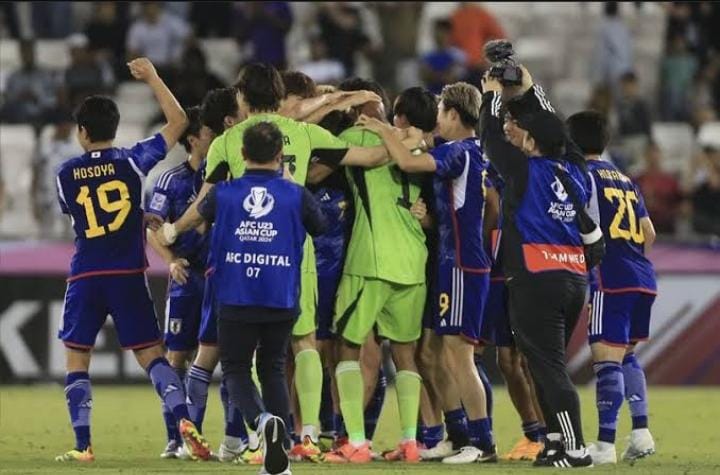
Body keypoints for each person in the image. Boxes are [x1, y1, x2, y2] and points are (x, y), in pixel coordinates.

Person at [156, 63, 394, 462]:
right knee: (303, 345)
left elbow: (203, 206)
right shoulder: (304, 134)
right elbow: (369, 158)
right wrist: (403, 140)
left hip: (239, 261)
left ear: (243, 99)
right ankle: (308, 435)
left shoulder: (228, 142)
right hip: (294, 257)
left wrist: (172, 231)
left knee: (243, 358)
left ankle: (255, 436)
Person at [53, 58, 211, 462]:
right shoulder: (131, 161)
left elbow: (78, 216)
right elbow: (177, 122)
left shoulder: (66, 173)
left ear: (82, 132)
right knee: (153, 357)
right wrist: (155, 77)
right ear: (114, 128)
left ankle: (83, 444)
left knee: (77, 358)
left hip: (86, 275)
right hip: (129, 274)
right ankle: (183, 420)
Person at [359, 81, 497, 464]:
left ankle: (482, 442)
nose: (436, 121)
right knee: (433, 353)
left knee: (459, 355)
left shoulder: (459, 152)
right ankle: (455, 435)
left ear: (454, 114)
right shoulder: (469, 152)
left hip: (463, 265)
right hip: (452, 262)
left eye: (440, 114)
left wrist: (382, 129)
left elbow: (407, 162)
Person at [480, 67, 599, 468]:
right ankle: (553, 442)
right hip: (572, 278)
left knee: (548, 368)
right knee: (541, 363)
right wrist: (530, 88)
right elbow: (560, 134)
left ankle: (576, 448)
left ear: (530, 141)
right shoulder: (576, 170)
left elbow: (490, 136)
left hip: (534, 277)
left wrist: (493, 95)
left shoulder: (522, 170)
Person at [194, 121, 328, 475]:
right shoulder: (296, 194)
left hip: (236, 295)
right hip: (281, 296)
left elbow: (201, 217)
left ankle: (262, 421)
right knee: (272, 368)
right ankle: (279, 457)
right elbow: (322, 227)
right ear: (280, 155)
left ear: (241, 154)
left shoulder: (223, 193)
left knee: (236, 369)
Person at [318, 78, 427, 464]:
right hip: (414, 261)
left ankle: (356, 442)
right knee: (405, 354)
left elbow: (316, 168)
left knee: (347, 346)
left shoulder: (354, 136)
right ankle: (411, 442)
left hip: (371, 259)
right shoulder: (416, 138)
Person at [566, 111, 658, 464]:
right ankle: (641, 432)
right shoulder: (626, 179)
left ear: (571, 142)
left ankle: (604, 446)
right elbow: (649, 233)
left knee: (606, 359)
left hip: (611, 277)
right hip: (642, 277)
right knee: (627, 355)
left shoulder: (583, 177)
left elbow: (582, 227)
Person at [144, 106, 234, 459]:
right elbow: (153, 228)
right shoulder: (170, 180)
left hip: (221, 275)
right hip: (188, 277)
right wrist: (169, 262)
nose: (215, 137)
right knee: (176, 358)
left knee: (226, 357)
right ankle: (176, 436)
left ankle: (232, 435)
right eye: (208, 133)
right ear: (193, 139)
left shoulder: (226, 175)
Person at [480, 167, 546, 462]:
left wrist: (479, 245)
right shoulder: (492, 168)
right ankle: (534, 433)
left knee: (529, 357)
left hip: (526, 269)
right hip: (498, 272)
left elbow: (493, 211)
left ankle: (549, 434)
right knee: (506, 360)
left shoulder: (533, 170)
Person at [32, 109, 83, 239]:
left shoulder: (75, 150)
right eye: (66, 126)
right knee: (46, 238)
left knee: (70, 238)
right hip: (46, 196)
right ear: (59, 126)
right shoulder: (44, 147)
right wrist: (33, 198)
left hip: (70, 199)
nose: (69, 129)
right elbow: (36, 172)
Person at [0, 39, 57, 127]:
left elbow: (52, 99)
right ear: (20, 54)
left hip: (42, 113)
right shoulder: (14, 77)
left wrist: (37, 97)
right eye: (24, 52)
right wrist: (19, 97)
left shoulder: (45, 75)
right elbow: (8, 99)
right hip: (18, 114)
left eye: (29, 52)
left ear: (34, 53)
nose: (27, 56)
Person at [633, 142, 683, 234]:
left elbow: (680, 204)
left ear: (661, 155)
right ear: (645, 156)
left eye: (656, 154)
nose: (653, 158)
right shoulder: (637, 180)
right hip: (642, 227)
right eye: (650, 154)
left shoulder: (670, 181)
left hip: (666, 227)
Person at [420, 19, 467, 95]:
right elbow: (424, 75)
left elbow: (453, 77)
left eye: (443, 32)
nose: (439, 35)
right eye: (437, 32)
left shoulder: (458, 55)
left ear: (449, 34)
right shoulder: (427, 55)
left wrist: (434, 75)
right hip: (431, 97)